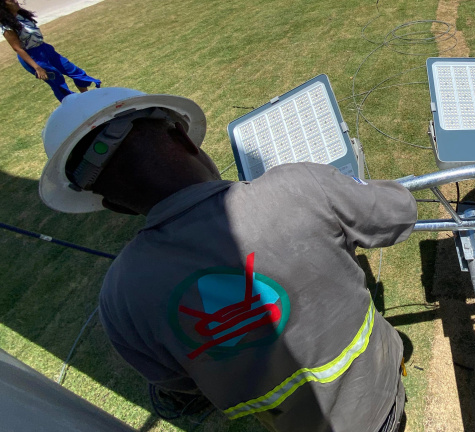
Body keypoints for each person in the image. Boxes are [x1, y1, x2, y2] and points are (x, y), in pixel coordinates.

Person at [37, 88, 417, 432]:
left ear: (114, 206)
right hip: (383, 401)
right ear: (183, 137)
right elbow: (399, 214)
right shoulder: (300, 186)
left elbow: (182, 384)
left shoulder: (119, 299)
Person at [1, 0, 100, 102]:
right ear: (4, 5)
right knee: (58, 82)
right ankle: (74, 105)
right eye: (11, 0)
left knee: (73, 70)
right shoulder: (7, 26)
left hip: (45, 49)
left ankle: (87, 98)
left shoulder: (21, 15)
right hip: (33, 57)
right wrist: (37, 68)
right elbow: (17, 48)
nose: (15, 1)